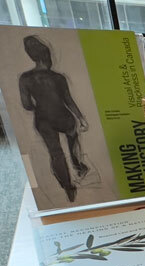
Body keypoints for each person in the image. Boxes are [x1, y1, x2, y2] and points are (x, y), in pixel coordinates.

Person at [18, 35, 91, 202]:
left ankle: (68, 188)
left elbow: (26, 105)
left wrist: (40, 106)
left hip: (43, 119)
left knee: (56, 153)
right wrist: (81, 118)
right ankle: (78, 165)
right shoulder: (58, 78)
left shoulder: (25, 79)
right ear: (47, 56)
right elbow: (68, 100)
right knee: (72, 136)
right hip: (64, 117)